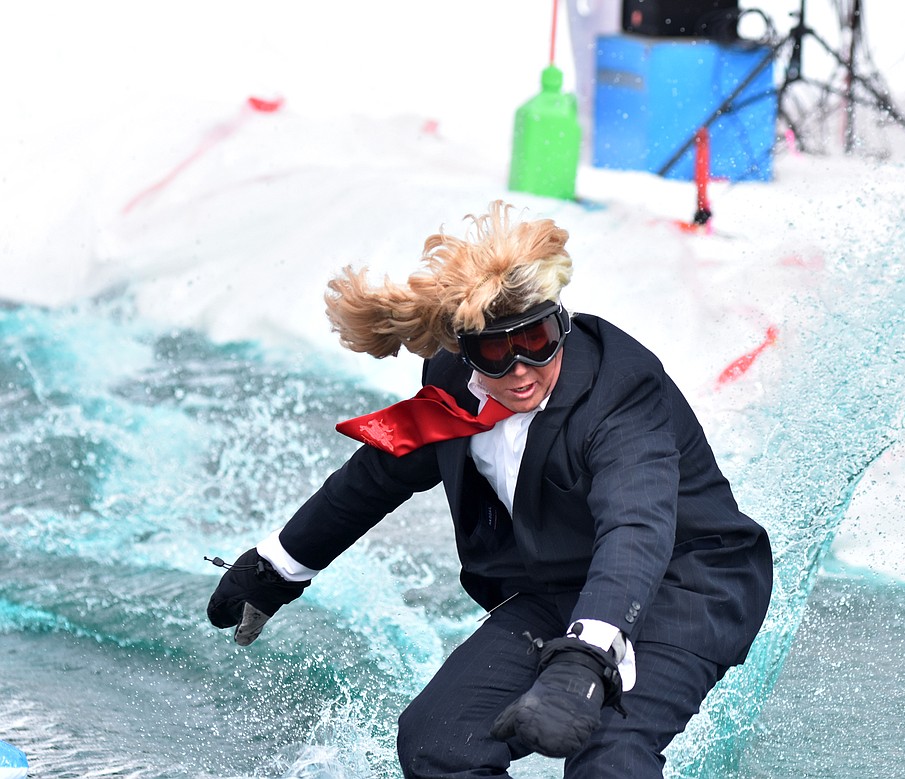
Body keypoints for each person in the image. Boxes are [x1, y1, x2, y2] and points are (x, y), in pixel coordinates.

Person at [206, 201, 772, 778]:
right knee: (439, 743)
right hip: (562, 584)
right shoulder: (453, 382)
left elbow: (637, 526)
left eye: (538, 339)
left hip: (686, 583)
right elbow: (383, 471)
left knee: (607, 760)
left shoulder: (621, 396)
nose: (522, 367)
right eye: (498, 351)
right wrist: (279, 566)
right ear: (463, 350)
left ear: (562, 323)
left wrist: (585, 655)